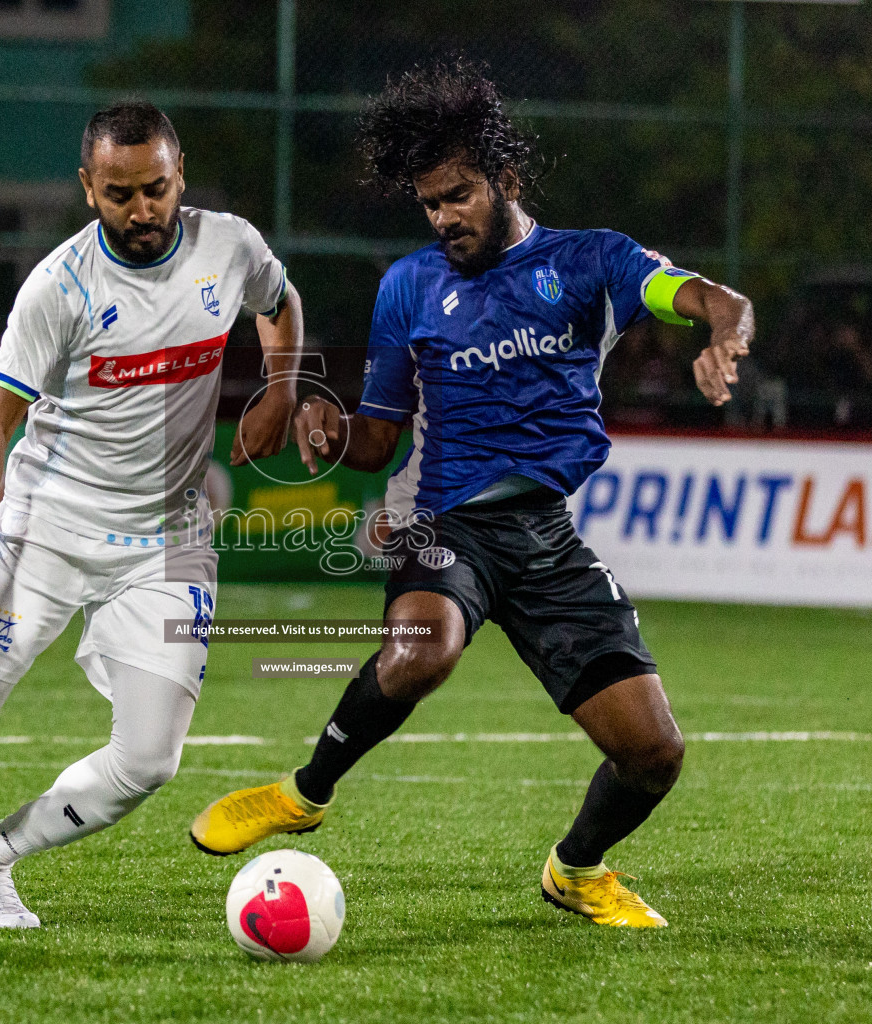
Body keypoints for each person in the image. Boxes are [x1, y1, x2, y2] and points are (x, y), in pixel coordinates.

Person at [188, 60, 755, 929]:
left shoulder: (590, 261)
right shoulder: (410, 287)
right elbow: (377, 438)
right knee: (424, 652)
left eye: (459, 195)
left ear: (508, 181)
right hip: (446, 522)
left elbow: (712, 297)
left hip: (548, 541)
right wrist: (330, 430)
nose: (444, 217)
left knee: (654, 754)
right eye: (430, 204)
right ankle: (303, 794)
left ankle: (576, 870)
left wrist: (721, 331)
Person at [0, 102, 301, 929]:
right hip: (49, 528)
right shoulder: (58, 287)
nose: (142, 211)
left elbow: (279, 302)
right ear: (87, 188)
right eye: (119, 194)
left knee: (148, 760)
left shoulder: (229, 245)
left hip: (169, 539)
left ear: (179, 173)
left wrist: (281, 385)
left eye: (157, 188)